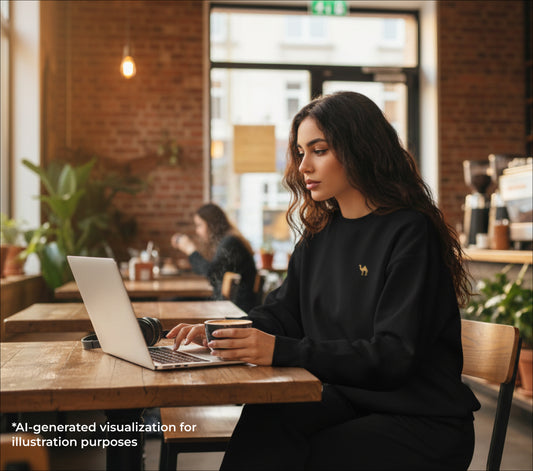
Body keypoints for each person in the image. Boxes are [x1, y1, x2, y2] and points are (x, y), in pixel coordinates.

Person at [166, 92, 480, 470]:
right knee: (265, 421)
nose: (303, 167)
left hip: (422, 418)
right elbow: (283, 315)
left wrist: (280, 350)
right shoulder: (318, 236)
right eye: (300, 153)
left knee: (313, 455)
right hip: (352, 399)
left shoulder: (410, 232)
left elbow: (394, 355)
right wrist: (220, 333)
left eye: (319, 150)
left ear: (359, 149)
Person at [171, 203, 257, 312]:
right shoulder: (228, 240)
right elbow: (211, 271)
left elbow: (211, 273)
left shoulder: (231, 242)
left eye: (199, 225)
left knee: (175, 303)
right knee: (176, 301)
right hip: (227, 303)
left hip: (235, 309)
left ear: (211, 224)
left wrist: (190, 249)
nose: (197, 231)